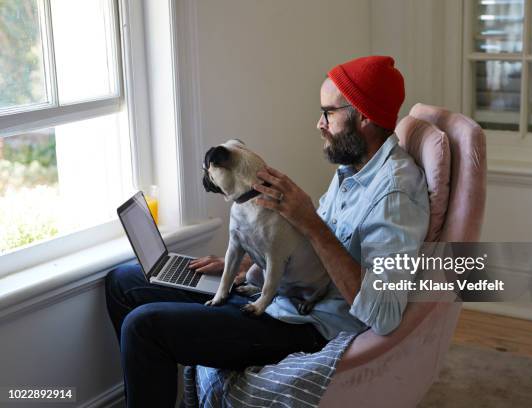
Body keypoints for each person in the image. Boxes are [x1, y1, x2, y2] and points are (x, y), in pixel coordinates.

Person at [105, 55, 429, 407]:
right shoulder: (354, 169)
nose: (318, 124)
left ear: (363, 116)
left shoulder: (395, 194)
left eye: (328, 114)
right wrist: (244, 266)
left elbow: (383, 313)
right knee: (124, 281)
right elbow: (303, 251)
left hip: (306, 325)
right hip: (279, 292)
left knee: (143, 327)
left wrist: (309, 220)